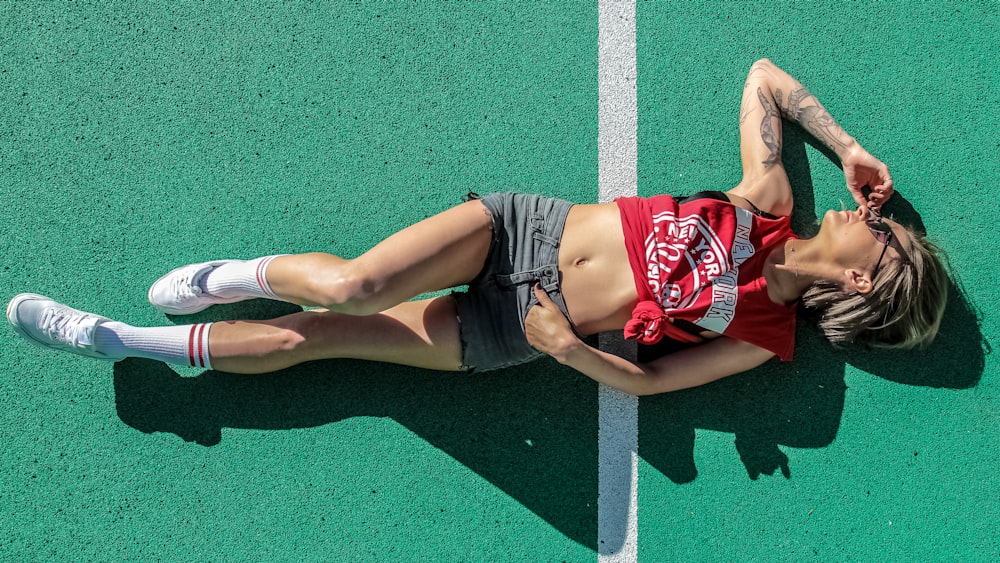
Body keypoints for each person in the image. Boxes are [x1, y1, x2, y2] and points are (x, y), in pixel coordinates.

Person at [7, 59, 948, 396]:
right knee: (348, 284)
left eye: (884, 234)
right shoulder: (770, 200)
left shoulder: (764, 335)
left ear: (863, 280)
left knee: (327, 338)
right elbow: (764, 77)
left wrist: (565, 349)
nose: (870, 212)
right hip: (521, 232)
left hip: (519, 331)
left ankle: (123, 342)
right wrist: (851, 144)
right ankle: (240, 270)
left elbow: (653, 388)